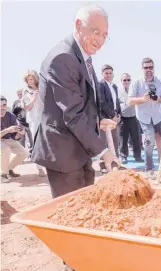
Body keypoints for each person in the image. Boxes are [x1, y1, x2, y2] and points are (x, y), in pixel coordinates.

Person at [32, 4, 118, 199]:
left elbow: (83, 102)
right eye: (96, 32)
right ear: (79, 25)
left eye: (105, 35)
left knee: (85, 204)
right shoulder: (62, 57)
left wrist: (98, 121)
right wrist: (104, 151)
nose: (101, 40)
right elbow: (71, 113)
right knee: (71, 211)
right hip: (63, 154)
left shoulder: (83, 56)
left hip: (79, 150)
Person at [128, 57, 161, 178]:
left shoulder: (160, 81)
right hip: (144, 118)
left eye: (150, 67)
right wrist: (143, 99)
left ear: (153, 68)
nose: (148, 70)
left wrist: (159, 99)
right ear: (142, 69)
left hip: (159, 116)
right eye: (146, 67)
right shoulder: (136, 83)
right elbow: (130, 100)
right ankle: (149, 168)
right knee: (149, 140)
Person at [21, 70, 46, 176]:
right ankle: (39, 168)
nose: (30, 81)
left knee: (48, 143)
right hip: (34, 120)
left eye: (32, 79)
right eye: (28, 80)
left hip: (46, 118)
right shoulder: (25, 91)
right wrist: (34, 98)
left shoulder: (43, 88)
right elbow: (26, 108)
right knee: (36, 143)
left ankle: (51, 166)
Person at [98, 64, 121, 174]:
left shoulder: (115, 87)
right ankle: (103, 165)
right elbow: (102, 102)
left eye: (110, 73)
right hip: (104, 118)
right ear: (102, 74)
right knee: (103, 143)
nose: (108, 75)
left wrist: (118, 115)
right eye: (106, 73)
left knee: (115, 141)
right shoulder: (100, 85)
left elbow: (116, 102)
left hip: (114, 118)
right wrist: (112, 115)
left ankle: (115, 164)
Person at [0, 96, 29, 183]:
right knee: (5, 149)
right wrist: (7, 130)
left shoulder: (11, 116)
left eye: (4, 105)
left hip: (7, 139)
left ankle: (9, 169)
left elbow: (16, 134)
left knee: (24, 153)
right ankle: (3, 174)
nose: (2, 108)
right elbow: (7, 132)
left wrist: (20, 133)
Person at [118, 73, 143, 163]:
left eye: (128, 80)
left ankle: (138, 156)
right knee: (123, 138)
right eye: (124, 80)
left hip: (134, 116)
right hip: (123, 117)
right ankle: (123, 156)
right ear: (121, 81)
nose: (126, 81)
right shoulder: (117, 90)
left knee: (136, 138)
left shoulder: (134, 90)